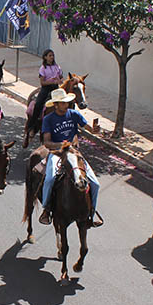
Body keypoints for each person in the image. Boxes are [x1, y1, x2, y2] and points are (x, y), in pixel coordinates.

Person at [38, 88, 102, 227]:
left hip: (73, 152)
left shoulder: (74, 114)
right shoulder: (48, 119)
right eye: (62, 103)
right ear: (56, 105)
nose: (66, 105)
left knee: (95, 183)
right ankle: (46, 209)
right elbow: (47, 142)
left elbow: (89, 128)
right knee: (50, 179)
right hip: (57, 152)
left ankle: (91, 213)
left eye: (66, 102)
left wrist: (95, 130)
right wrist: (61, 145)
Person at [29, 49, 64, 130]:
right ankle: (33, 124)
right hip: (46, 89)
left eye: (53, 55)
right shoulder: (43, 68)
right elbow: (42, 83)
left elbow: (61, 78)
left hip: (56, 89)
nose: (52, 57)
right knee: (38, 104)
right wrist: (51, 81)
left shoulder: (57, 67)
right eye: (50, 56)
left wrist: (59, 80)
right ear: (45, 57)